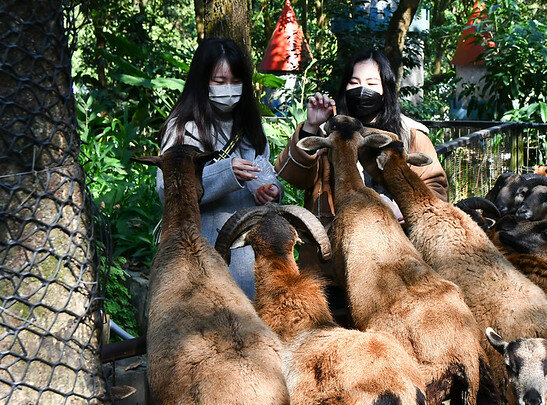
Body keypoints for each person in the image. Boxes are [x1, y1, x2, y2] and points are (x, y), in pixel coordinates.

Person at [274, 48, 448, 274]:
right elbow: (296, 178)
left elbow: (435, 189)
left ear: (386, 89)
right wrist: (311, 126)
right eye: (354, 82)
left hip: (396, 257)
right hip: (333, 259)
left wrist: (405, 208)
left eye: (372, 83)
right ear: (344, 87)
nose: (362, 89)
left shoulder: (410, 135)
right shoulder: (328, 132)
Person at [156, 38, 282, 298]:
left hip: (251, 250)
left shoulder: (251, 127)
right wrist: (226, 173)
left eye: (236, 81)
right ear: (202, 81)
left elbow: (266, 170)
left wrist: (270, 190)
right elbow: (166, 190)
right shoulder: (184, 128)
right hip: (201, 252)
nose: (229, 89)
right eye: (219, 81)